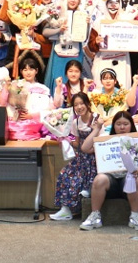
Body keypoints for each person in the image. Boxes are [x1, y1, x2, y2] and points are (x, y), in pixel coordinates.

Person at [79, 111, 138, 232]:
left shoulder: (137, 141)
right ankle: (95, 216)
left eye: (125, 124)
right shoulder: (106, 140)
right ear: (113, 125)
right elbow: (85, 148)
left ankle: (135, 216)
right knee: (100, 178)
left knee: (134, 178)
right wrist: (97, 129)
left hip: (130, 181)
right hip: (111, 182)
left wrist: (134, 169)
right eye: (118, 124)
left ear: (131, 125)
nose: (122, 127)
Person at [51, 92, 98, 222]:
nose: (79, 107)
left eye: (81, 103)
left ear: (87, 104)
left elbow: (101, 142)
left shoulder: (96, 120)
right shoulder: (75, 122)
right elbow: (77, 143)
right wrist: (65, 140)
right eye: (76, 105)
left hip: (94, 157)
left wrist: (89, 150)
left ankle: (87, 190)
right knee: (64, 174)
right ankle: (65, 209)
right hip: (80, 157)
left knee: (81, 176)